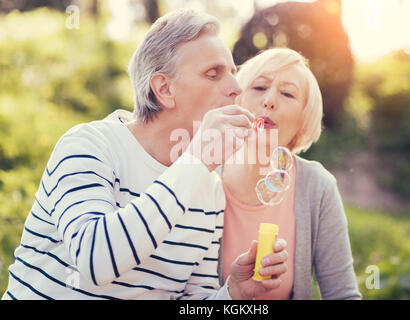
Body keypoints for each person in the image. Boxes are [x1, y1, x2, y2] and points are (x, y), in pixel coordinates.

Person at [1, 9, 287, 300]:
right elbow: (95, 259)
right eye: (213, 74)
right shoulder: (89, 145)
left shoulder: (210, 188)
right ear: (164, 89)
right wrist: (197, 161)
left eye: (233, 74)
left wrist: (232, 293)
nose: (236, 88)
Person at [218, 48, 362, 299]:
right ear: (237, 101)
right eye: (259, 88)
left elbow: (343, 295)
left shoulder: (317, 187)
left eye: (287, 93)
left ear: (303, 121)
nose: (270, 100)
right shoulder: (202, 173)